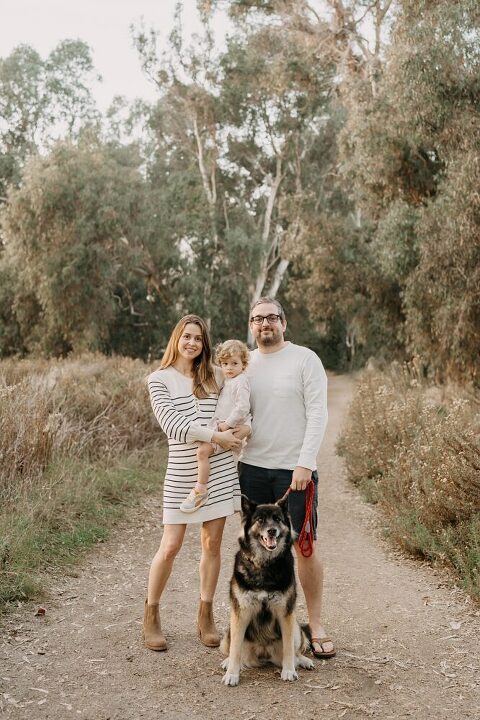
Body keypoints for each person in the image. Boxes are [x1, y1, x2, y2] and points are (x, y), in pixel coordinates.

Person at [239, 297, 336, 659]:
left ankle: (316, 623)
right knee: (259, 550)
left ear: (284, 322)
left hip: (293, 472)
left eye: (271, 318)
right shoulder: (245, 364)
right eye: (257, 319)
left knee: (303, 546)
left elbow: (318, 414)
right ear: (251, 325)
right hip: (251, 469)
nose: (265, 324)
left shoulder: (305, 359)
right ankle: (264, 629)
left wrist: (305, 464)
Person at [144, 314, 244, 652]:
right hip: (182, 472)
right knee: (170, 545)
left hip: (217, 470)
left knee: (212, 545)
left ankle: (205, 614)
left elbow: (238, 405)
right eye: (187, 336)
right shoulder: (158, 380)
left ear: (204, 344)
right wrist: (217, 435)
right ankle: (152, 614)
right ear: (176, 339)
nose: (192, 343)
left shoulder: (215, 375)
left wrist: (234, 434)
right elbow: (173, 426)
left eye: (198, 339)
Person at [180, 339, 251, 513]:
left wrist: (227, 424)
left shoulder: (241, 381)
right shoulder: (229, 380)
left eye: (234, 363)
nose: (229, 368)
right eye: (225, 364)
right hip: (223, 426)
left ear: (244, 364)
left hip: (230, 427)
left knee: (203, 452)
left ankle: (200, 490)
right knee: (207, 453)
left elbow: (242, 407)